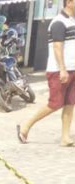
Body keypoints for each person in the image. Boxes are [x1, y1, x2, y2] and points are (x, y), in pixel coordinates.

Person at [18, 0, 75, 146]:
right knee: (55, 103)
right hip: (59, 70)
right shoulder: (58, 23)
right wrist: (62, 69)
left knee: (70, 103)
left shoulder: (71, 21)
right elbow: (57, 47)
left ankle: (65, 137)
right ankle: (26, 125)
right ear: (69, 2)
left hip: (72, 68)